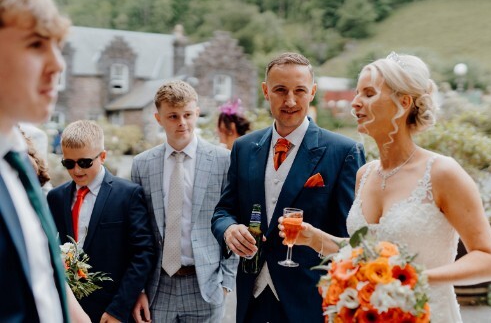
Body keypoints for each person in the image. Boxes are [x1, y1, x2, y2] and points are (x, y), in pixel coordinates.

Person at [279, 52, 491, 322]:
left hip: (428, 314)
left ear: (404, 102)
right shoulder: (365, 174)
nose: (355, 103)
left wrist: (413, 278)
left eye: (369, 93)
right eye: (357, 93)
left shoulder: (442, 173)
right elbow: (370, 254)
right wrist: (315, 238)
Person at [211, 52, 366, 322]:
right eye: (281, 90)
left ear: (313, 92)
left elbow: (351, 237)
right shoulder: (244, 148)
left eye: (300, 91)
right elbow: (224, 211)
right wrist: (229, 230)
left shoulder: (344, 152)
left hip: (311, 300)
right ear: (265, 91)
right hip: (252, 297)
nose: (290, 101)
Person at [0, 0, 91, 322]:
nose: (58, 64)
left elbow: (42, 285)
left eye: (58, 47)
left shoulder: (19, 161)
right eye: (36, 44)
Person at [131, 80, 238, 322]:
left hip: (206, 287)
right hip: (158, 287)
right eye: (173, 116)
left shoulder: (223, 161)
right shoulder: (143, 164)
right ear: (158, 118)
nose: (182, 122)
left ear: (197, 113)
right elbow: (137, 230)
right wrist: (137, 289)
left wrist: (226, 282)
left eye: (188, 115)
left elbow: (234, 220)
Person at [47, 120, 155, 322]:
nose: (77, 170)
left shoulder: (127, 194)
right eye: (69, 163)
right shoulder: (56, 197)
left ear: (103, 156)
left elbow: (143, 253)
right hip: (68, 308)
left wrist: (119, 308)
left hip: (111, 309)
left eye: (85, 162)